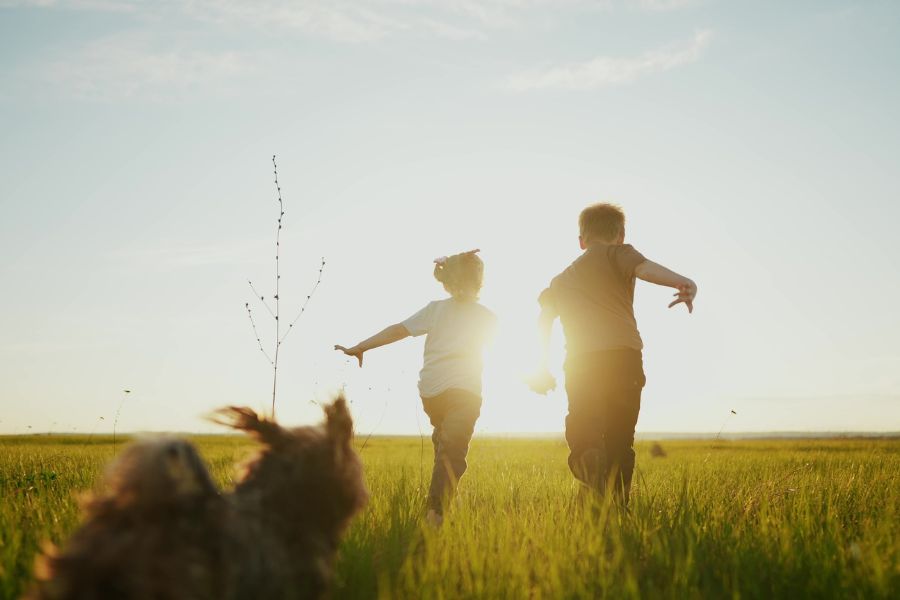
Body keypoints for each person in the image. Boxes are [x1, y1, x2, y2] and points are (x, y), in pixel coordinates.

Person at [529, 203, 697, 503]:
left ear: (581, 240)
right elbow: (645, 269)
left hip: (582, 361)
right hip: (625, 358)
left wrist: (540, 365)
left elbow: (543, 320)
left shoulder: (561, 280)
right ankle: (617, 506)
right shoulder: (619, 253)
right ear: (621, 234)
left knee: (584, 426)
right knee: (621, 439)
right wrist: (684, 283)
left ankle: (589, 460)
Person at [335, 250, 497, 526]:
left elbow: (398, 330)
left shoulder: (437, 310)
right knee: (452, 450)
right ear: (479, 282)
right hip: (456, 392)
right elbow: (397, 330)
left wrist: (362, 346)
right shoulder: (483, 316)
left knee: (447, 445)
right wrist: (362, 346)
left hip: (434, 393)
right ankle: (435, 514)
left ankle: (443, 499)